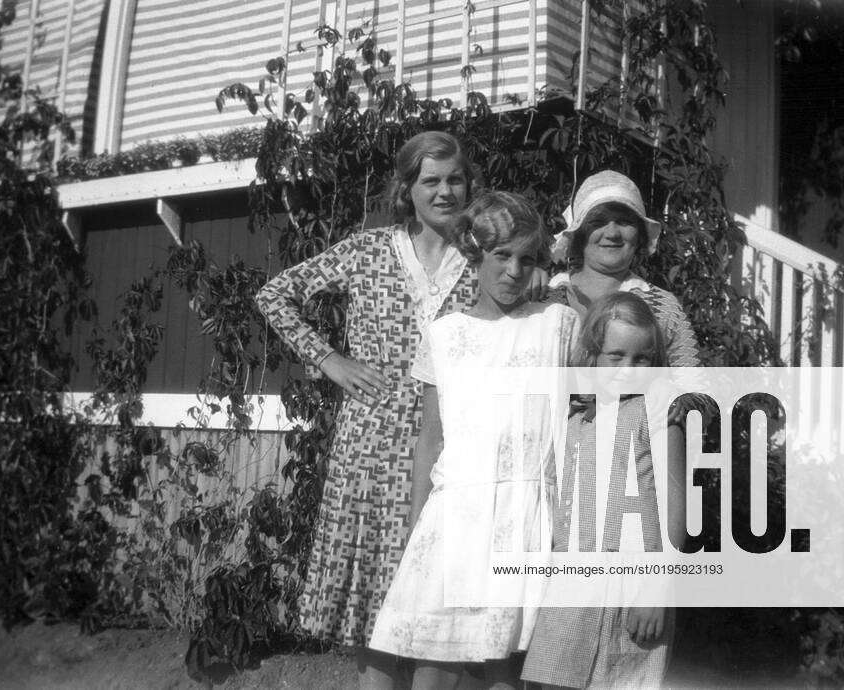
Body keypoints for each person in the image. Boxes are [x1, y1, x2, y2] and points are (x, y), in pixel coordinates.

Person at [255, 131, 481, 688]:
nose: (445, 191)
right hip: (372, 445)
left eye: (455, 179)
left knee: (438, 606)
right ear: (408, 189)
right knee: (376, 614)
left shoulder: (483, 256)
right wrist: (329, 359)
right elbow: (274, 295)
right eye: (431, 180)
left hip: (455, 442)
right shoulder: (368, 249)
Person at [368, 191, 580, 689]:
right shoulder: (444, 335)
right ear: (475, 254)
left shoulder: (556, 325)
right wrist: (417, 525)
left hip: (526, 512)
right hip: (456, 514)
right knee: (435, 660)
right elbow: (430, 440)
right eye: (501, 255)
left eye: (527, 259)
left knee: (504, 660)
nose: (513, 270)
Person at [521, 291, 687, 689]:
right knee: (551, 679)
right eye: (616, 356)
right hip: (569, 580)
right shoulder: (576, 416)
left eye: (642, 358)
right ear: (592, 355)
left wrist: (656, 590)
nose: (629, 369)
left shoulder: (660, 408)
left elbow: (677, 503)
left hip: (635, 582)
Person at [545, 170, 700, 367]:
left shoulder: (664, 309)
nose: (612, 233)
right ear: (580, 232)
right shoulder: (542, 296)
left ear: (639, 235)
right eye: (598, 222)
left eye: (624, 222)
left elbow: (693, 388)